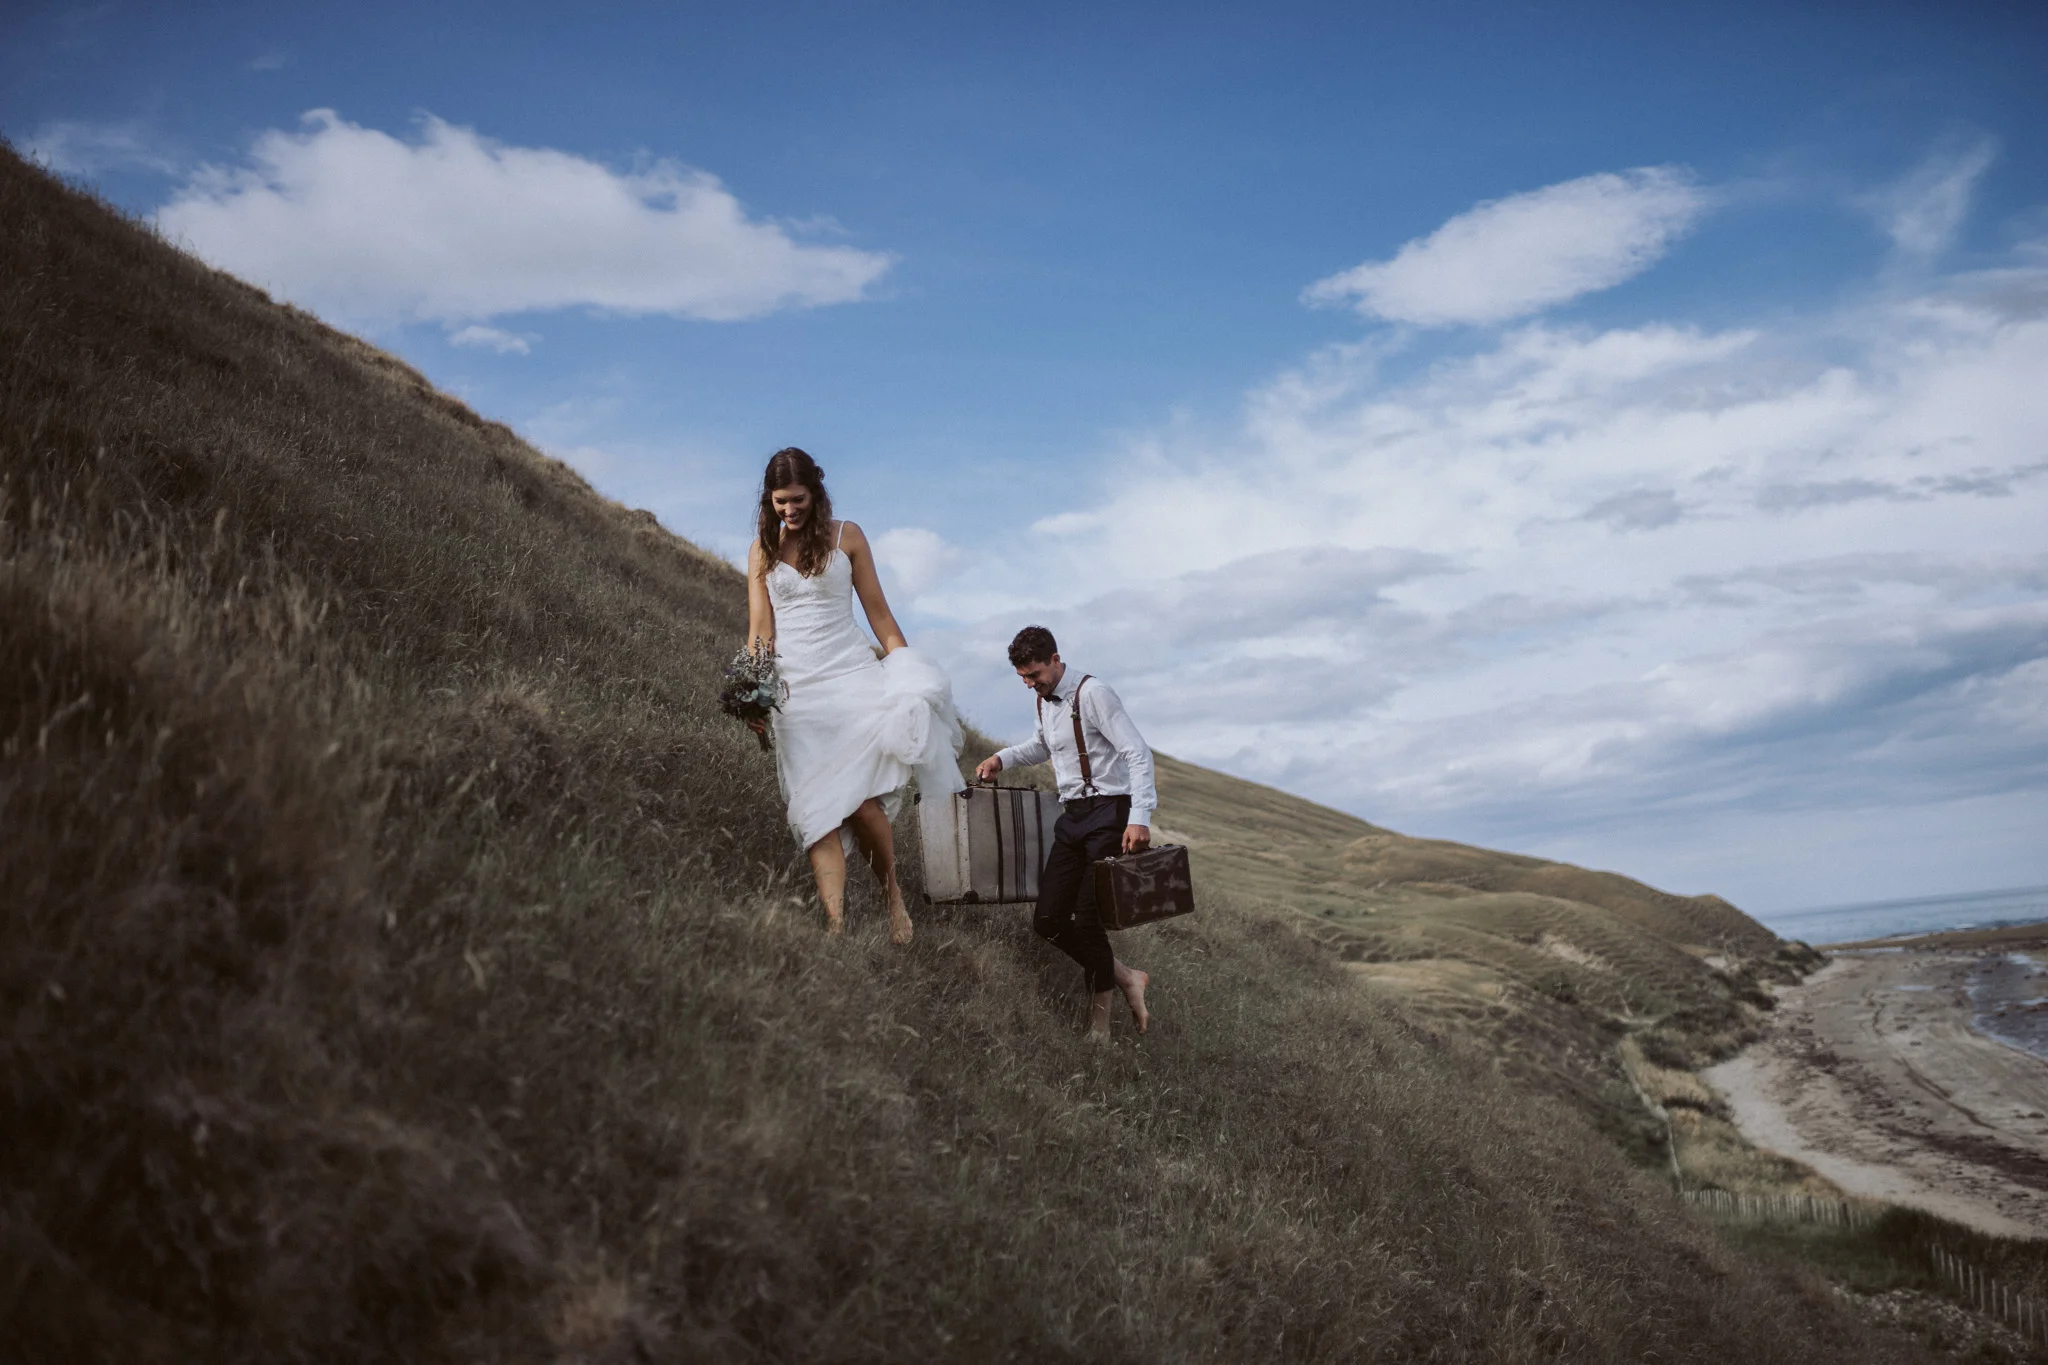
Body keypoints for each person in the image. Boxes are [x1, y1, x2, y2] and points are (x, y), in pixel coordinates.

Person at [745, 447, 963, 942]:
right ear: (769, 500)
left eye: (797, 499)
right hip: (797, 695)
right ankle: (836, 927)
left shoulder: (849, 537)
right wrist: (753, 694)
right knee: (817, 810)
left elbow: (880, 616)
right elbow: (760, 631)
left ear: (815, 492)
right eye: (780, 502)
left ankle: (893, 897)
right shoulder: (762, 550)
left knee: (865, 807)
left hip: (853, 682)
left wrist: (908, 674)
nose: (789, 510)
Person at [974, 626, 1154, 1039]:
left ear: (1055, 660)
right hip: (1073, 817)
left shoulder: (1094, 694)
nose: (1029, 684)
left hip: (1110, 813)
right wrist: (1001, 757)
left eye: (1034, 675)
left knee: (1088, 920)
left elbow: (1136, 752)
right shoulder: (1043, 700)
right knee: (1048, 918)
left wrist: (1139, 816)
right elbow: (1043, 746)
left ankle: (1099, 1028)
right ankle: (1127, 976)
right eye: (1023, 678)